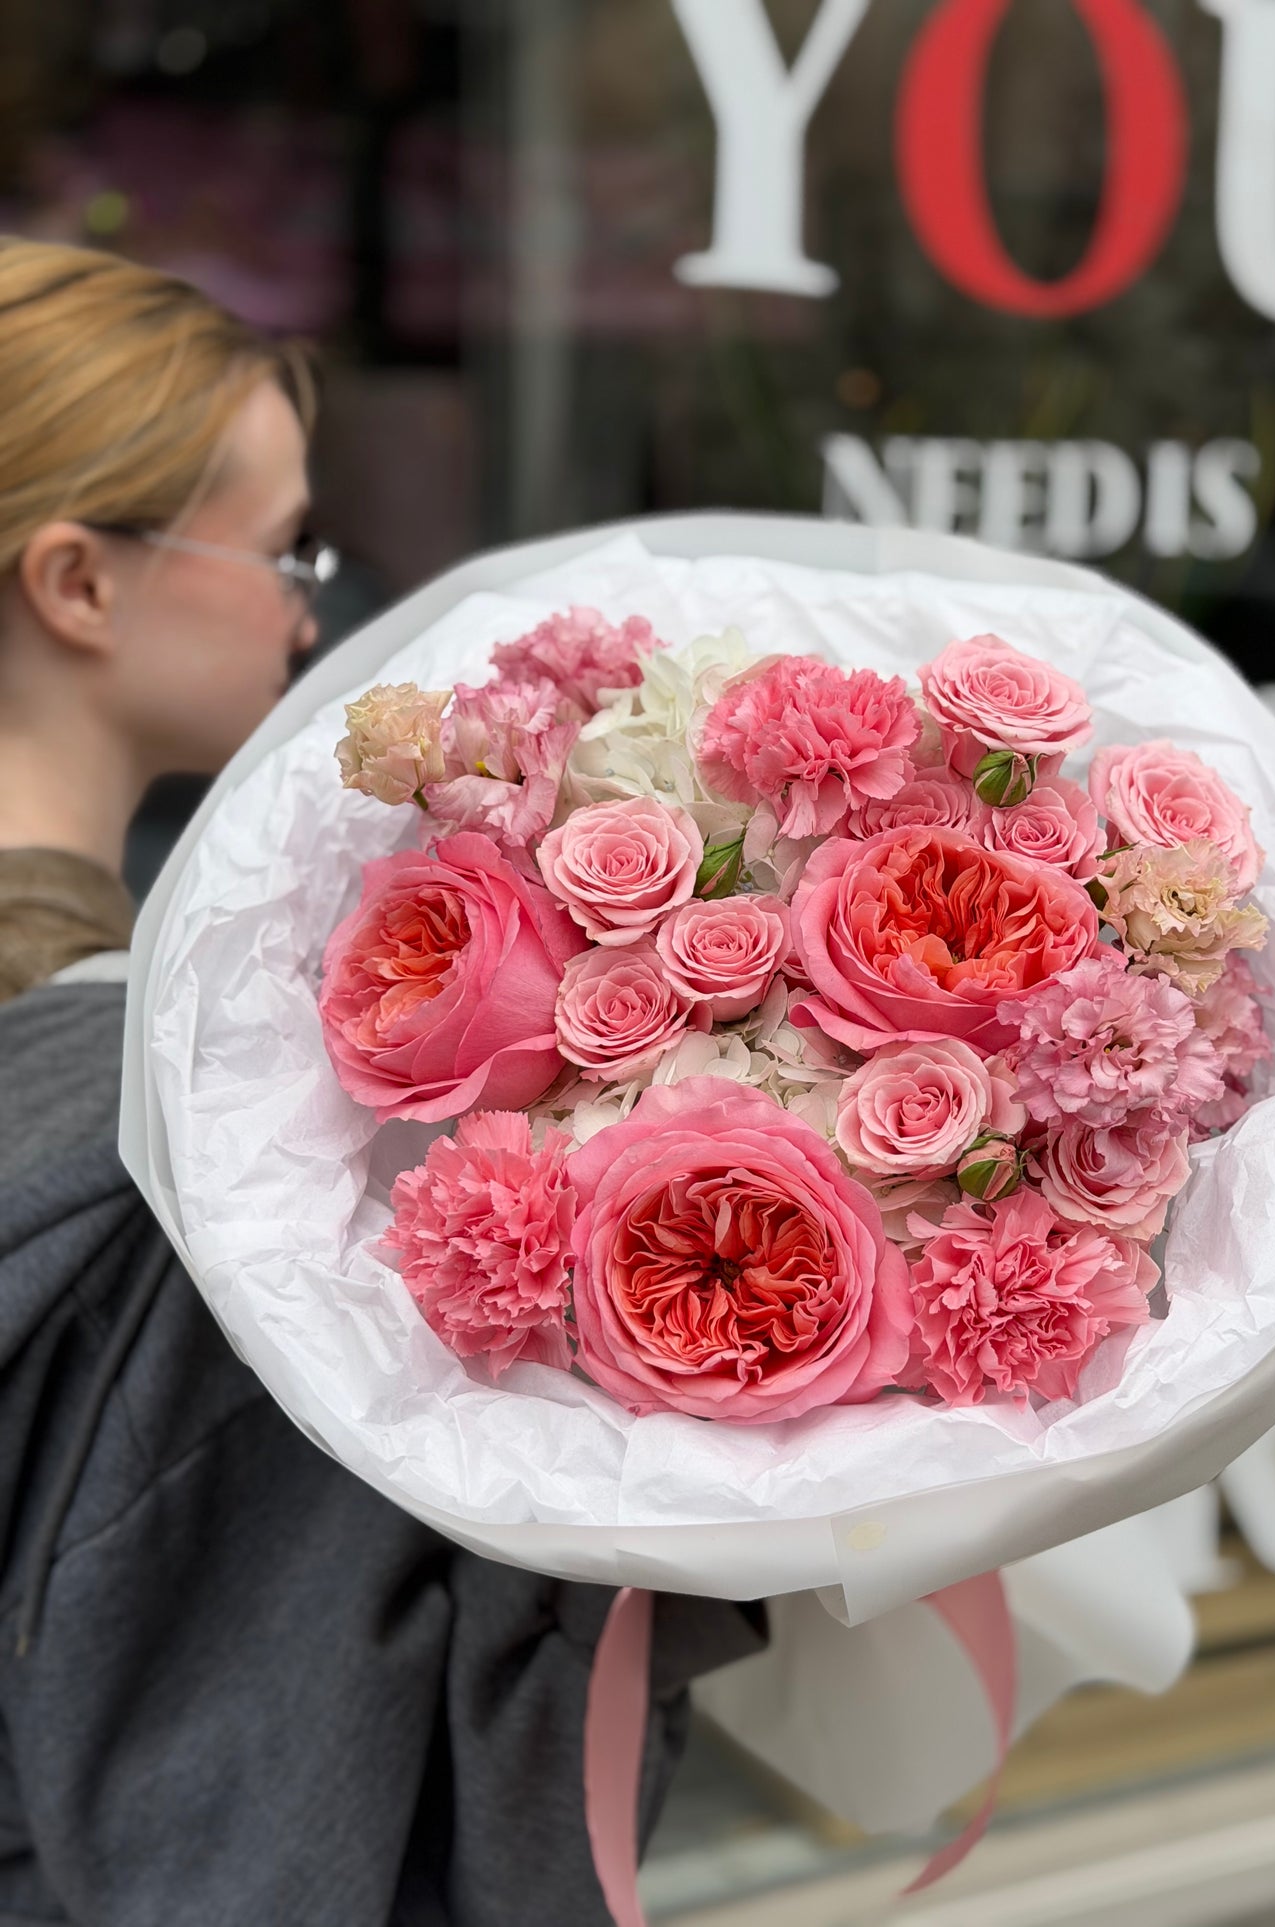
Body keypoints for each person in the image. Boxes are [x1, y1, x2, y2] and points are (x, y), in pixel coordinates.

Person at [0, 238, 762, 1926]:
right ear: (77, 585)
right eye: (283, 545)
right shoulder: (170, 1145)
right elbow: (274, 1788)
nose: (308, 606)